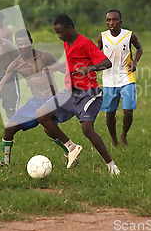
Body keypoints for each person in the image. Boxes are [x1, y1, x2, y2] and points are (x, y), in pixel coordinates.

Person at [0, 29, 71, 165]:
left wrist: (81, 79)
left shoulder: (44, 57)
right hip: (35, 101)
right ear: (16, 45)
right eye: (19, 44)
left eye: (25, 43)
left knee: (49, 129)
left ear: (31, 41)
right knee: (9, 128)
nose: (23, 47)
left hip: (51, 100)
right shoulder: (16, 64)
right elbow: (0, 87)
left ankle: (71, 151)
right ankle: (5, 163)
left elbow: (65, 70)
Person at [36, 14, 120, 175]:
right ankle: (71, 147)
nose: (59, 36)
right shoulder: (68, 43)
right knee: (42, 116)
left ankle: (112, 166)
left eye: (61, 32)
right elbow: (72, 64)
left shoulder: (85, 43)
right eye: (57, 33)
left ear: (70, 28)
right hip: (71, 92)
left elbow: (107, 62)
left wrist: (90, 68)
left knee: (87, 129)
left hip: (90, 93)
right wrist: (55, 67)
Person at [97, 9, 143, 146]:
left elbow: (139, 48)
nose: (111, 23)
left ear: (120, 21)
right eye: (109, 20)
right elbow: (96, 53)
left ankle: (124, 135)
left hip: (127, 77)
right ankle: (114, 139)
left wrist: (135, 62)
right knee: (110, 113)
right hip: (109, 80)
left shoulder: (129, 35)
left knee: (128, 111)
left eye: (115, 20)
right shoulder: (102, 37)